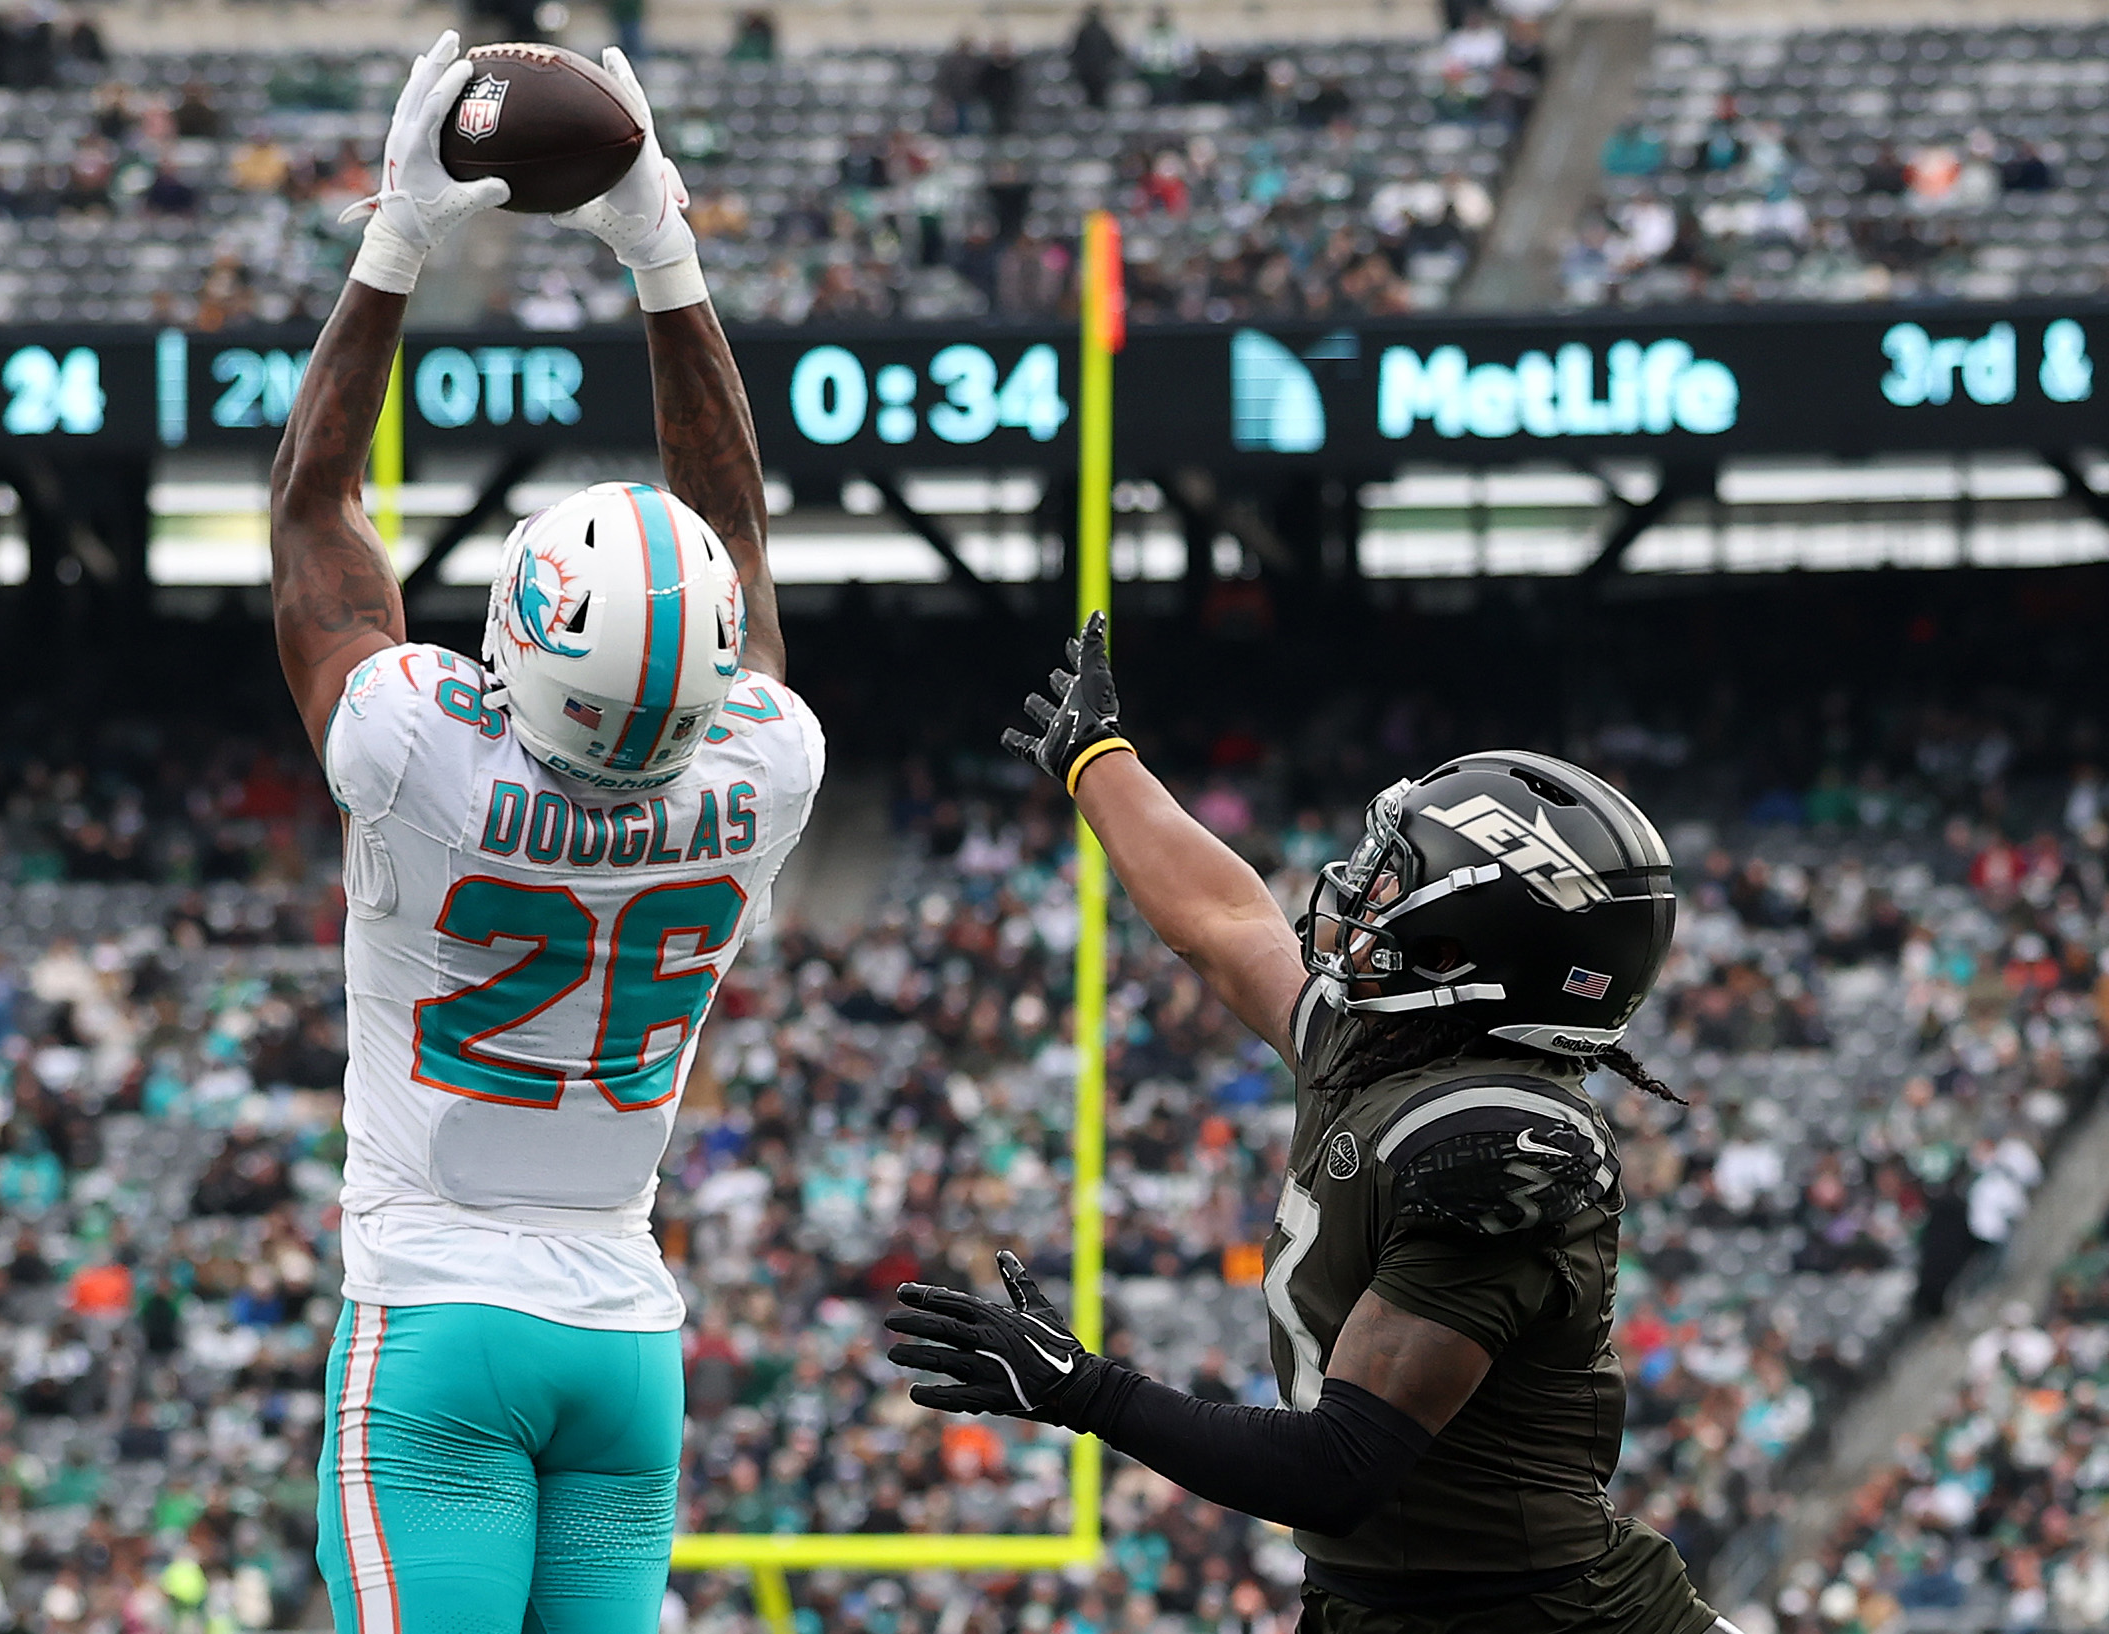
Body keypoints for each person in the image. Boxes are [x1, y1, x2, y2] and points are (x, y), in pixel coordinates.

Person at [269, 32, 820, 1634]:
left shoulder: (417, 746)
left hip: (439, 1321)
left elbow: (317, 513)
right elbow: (732, 535)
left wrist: (396, 240)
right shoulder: (761, 768)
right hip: (623, 1336)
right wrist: (663, 248)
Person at [887, 615, 1742, 1634]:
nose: (1359, 889)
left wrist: (1089, 1389)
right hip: (1378, 1604)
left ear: (1468, 942)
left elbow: (1344, 1465)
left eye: (1399, 875)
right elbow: (1221, 923)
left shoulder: (1502, 1140)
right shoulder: (1386, 1046)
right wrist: (1095, 759)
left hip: (1547, 1614)